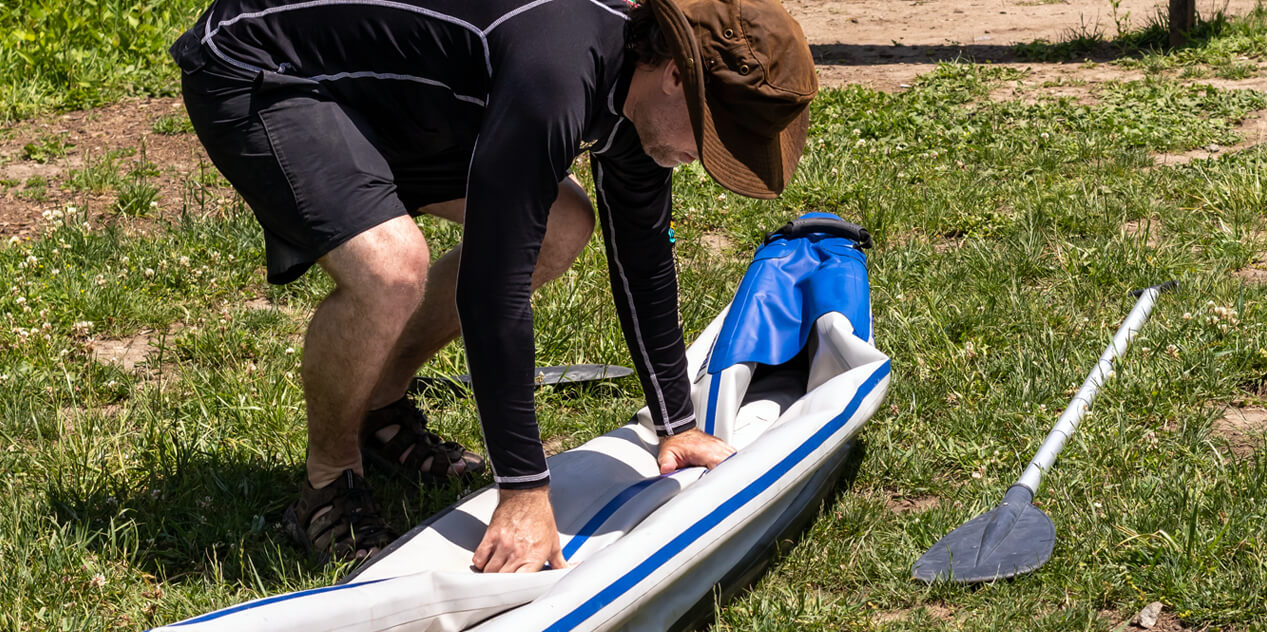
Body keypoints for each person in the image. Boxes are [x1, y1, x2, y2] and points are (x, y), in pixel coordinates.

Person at [170, 0, 818, 572]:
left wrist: (677, 422)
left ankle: (379, 408)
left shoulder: (634, 85)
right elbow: (492, 286)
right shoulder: (557, 67)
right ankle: (327, 482)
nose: (705, 160)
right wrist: (524, 489)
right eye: (713, 139)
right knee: (392, 271)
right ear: (677, 74)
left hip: (394, 95)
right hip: (263, 67)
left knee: (561, 227)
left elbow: (643, 257)